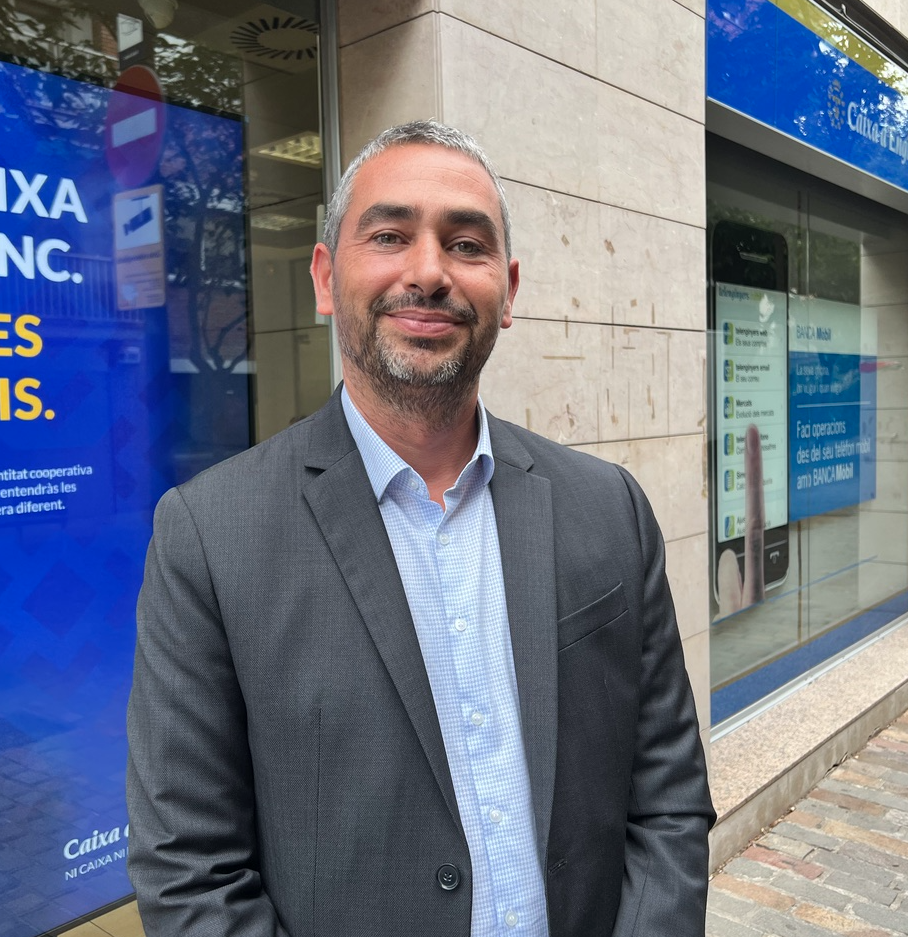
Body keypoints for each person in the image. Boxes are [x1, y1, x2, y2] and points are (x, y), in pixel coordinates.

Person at [126, 120, 715, 937]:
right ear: (326, 278)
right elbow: (190, 869)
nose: (430, 272)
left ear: (508, 289)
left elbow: (668, 797)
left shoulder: (607, 505)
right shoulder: (209, 535)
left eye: (466, 244)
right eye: (389, 236)